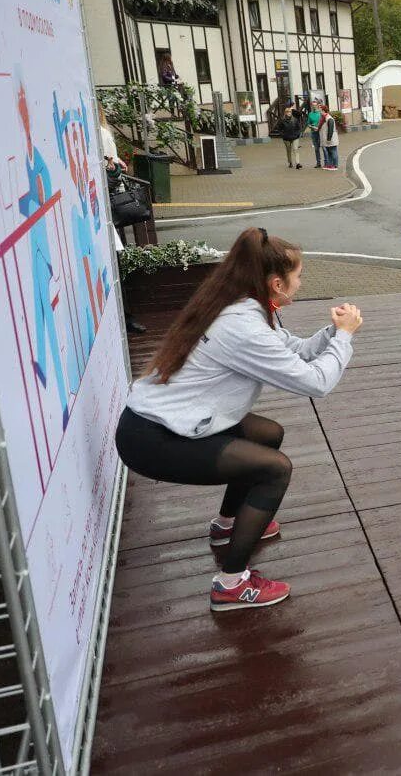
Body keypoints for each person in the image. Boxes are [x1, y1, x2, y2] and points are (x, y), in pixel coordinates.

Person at [117, 228, 362, 610]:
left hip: (171, 418)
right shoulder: (244, 326)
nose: (301, 283)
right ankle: (231, 583)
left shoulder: (244, 305)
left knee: (268, 434)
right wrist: (345, 339)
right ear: (277, 283)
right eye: (299, 277)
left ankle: (227, 525)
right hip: (153, 437)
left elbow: (294, 349)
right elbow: (317, 382)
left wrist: (333, 331)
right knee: (274, 470)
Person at [306, 101, 325, 168]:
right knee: (316, 148)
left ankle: (326, 162)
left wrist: (318, 127)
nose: (314, 106)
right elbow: (308, 123)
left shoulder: (320, 113)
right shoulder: (310, 114)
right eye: (313, 105)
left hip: (321, 132)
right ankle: (318, 163)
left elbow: (324, 123)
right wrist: (311, 126)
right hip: (314, 132)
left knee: (323, 147)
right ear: (311, 106)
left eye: (315, 105)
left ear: (317, 106)